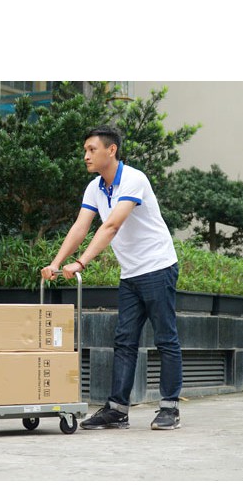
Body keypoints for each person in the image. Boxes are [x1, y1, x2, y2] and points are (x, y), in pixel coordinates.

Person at [41, 125, 183, 430]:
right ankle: (118, 410)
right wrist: (55, 264)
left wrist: (81, 263)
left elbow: (112, 226)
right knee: (124, 340)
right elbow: (80, 227)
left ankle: (170, 408)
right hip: (130, 272)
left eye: (92, 149)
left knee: (165, 338)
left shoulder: (134, 179)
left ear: (111, 150)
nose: (86, 156)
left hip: (158, 266)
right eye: (85, 150)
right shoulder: (95, 188)